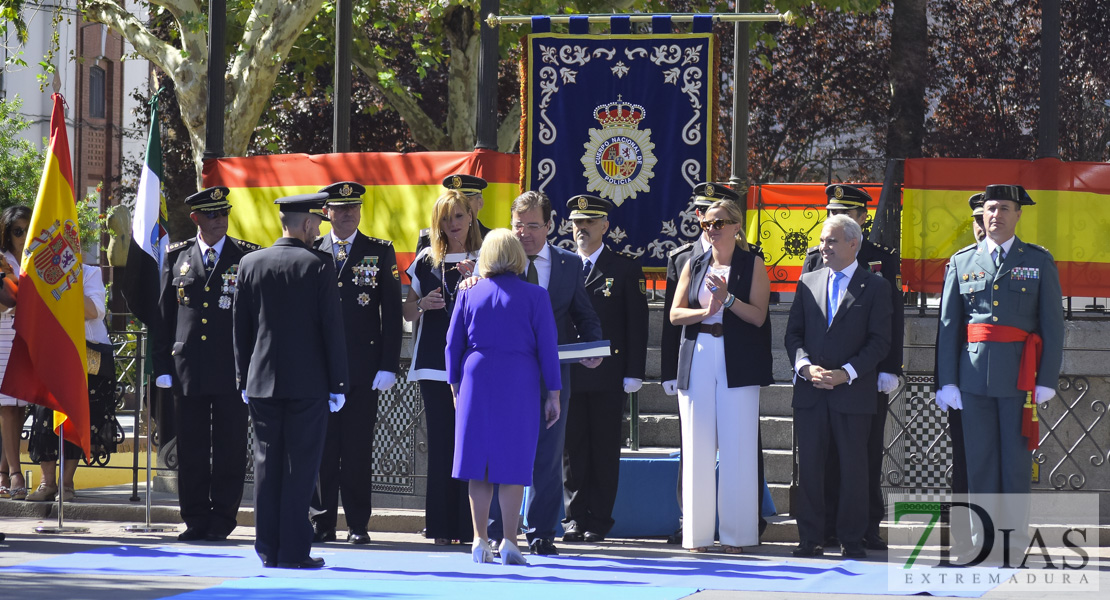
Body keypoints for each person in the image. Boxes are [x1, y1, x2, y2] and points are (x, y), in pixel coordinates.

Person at [936, 184, 1063, 559]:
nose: (997, 215)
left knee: (1015, 464)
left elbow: (1053, 325)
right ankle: (984, 542)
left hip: (1019, 379)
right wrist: (948, 381)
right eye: (991, 209)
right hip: (973, 379)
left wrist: (1046, 379)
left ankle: (1013, 542)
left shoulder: (1038, 261)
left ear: (1018, 214)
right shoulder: (962, 261)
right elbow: (947, 327)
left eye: (1005, 208)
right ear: (982, 214)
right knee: (980, 463)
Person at [233, 193, 349, 569]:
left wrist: (244, 377)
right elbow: (332, 328)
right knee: (301, 467)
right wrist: (339, 384)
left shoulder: (250, 263)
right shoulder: (319, 265)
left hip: (262, 381)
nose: (318, 231)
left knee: (266, 466)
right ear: (306, 225)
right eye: (316, 224)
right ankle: (295, 550)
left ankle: (267, 547)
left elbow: (241, 329)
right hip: (308, 384)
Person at [660, 182, 771, 544]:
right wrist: (704, 311)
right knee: (696, 445)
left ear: (737, 226)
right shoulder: (693, 262)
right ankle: (697, 533)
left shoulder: (752, 262)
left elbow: (758, 315)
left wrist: (728, 299)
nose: (712, 230)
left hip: (737, 356)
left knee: (738, 445)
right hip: (699, 352)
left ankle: (739, 534)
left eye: (720, 223)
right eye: (707, 224)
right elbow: (675, 314)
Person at [445, 229, 562, 565]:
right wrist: (553, 393)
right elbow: (547, 350)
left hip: (475, 378)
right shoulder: (536, 296)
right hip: (519, 380)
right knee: (513, 463)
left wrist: (455, 384)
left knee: (477, 465)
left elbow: (453, 344)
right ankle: (510, 541)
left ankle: (480, 540)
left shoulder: (468, 293)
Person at [499, 190, 602, 556]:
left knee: (548, 454)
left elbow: (583, 314)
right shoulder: (496, 262)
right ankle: (499, 530)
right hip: (504, 374)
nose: (524, 233)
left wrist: (593, 347)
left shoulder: (567, 264)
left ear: (549, 226)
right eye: (518, 226)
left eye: (532, 226)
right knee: (504, 451)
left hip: (552, 375)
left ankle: (541, 531)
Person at [800, 184, 903, 551]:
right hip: (819, 379)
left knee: (864, 453)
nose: (834, 219)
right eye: (829, 212)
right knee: (820, 457)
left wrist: (891, 368)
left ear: (862, 218)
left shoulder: (879, 259)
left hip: (864, 375)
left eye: (844, 213)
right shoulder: (816, 257)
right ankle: (825, 526)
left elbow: (892, 320)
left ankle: (865, 526)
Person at [154, 187, 260, 541]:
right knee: (192, 446)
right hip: (188, 368)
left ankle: (222, 519)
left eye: (224, 214)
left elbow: (254, 318)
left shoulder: (245, 256)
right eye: (212, 215)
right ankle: (195, 517)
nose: (220, 221)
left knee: (231, 446)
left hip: (232, 368)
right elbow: (164, 317)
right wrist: (162, 368)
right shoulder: (177, 256)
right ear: (196, 218)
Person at [310, 181, 403, 545]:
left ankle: (358, 524)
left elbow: (392, 314)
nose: (348, 213)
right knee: (322, 448)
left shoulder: (378, 250)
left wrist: (388, 365)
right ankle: (321, 522)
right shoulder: (313, 249)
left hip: (363, 369)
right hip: (319, 369)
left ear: (360, 211)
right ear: (326, 213)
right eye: (340, 208)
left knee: (357, 449)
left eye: (354, 207)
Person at [561, 195, 648, 544]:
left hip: (608, 373)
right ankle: (573, 517)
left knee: (604, 448)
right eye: (576, 222)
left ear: (605, 226)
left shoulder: (624, 268)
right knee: (572, 447)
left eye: (589, 222)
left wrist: (634, 371)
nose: (581, 228)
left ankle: (598, 520)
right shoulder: (562, 264)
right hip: (568, 369)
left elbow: (636, 324)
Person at [403, 189, 483, 546]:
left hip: (476, 367)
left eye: (459, 217)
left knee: (469, 445)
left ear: (471, 218)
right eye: (446, 219)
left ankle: (468, 529)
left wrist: (478, 282)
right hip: (434, 366)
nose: (454, 225)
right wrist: (422, 305)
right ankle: (438, 528)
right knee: (441, 446)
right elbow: (406, 313)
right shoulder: (425, 259)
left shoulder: (487, 257)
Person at [26, 263, 120, 503]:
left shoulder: (90, 273)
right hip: (50, 354)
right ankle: (47, 483)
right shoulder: (42, 271)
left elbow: (95, 311)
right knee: (45, 416)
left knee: (77, 419)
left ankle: (66, 484)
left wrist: (68, 281)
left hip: (83, 357)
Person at [0, 206, 31, 501]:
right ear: (7, 234)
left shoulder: (38, 258)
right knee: (8, 406)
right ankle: (15, 474)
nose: (22, 236)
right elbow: (4, 301)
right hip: (4, 338)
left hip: (28, 338)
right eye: (16, 231)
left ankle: (2, 470)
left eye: (26, 229)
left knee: (20, 406)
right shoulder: (1, 261)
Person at [416, 175, 492, 254]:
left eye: (467, 199)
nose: (460, 204)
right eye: (455, 200)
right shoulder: (429, 239)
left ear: (480, 203)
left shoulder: (493, 239)